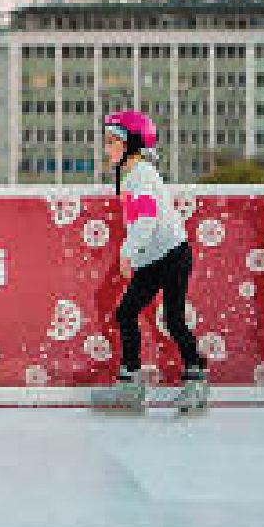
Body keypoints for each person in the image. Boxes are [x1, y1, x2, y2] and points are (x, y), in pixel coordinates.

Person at [87, 109, 209, 414]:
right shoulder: (128, 173)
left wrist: (128, 253)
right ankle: (131, 382)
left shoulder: (141, 175)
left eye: (113, 141)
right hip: (153, 257)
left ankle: (196, 380)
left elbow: (145, 220)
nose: (107, 148)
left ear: (131, 144)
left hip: (171, 255)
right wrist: (137, 254)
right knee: (126, 313)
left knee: (173, 319)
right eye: (106, 141)